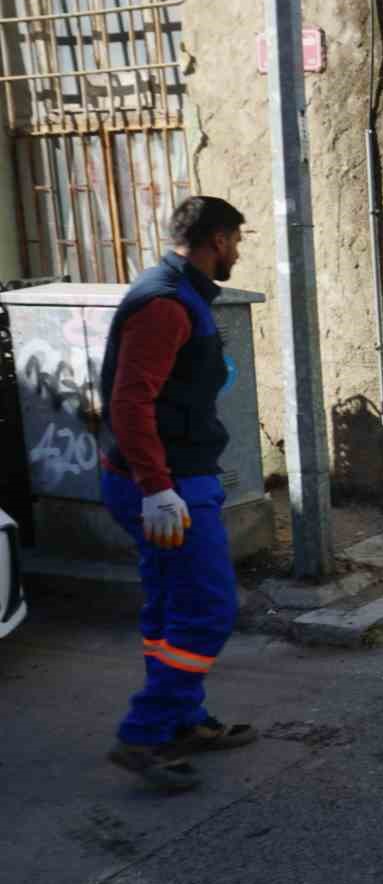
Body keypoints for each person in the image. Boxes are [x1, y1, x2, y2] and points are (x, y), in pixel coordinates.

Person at [101, 197, 259, 791]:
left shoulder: (172, 291)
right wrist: (157, 489)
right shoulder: (166, 302)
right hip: (168, 486)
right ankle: (145, 733)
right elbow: (129, 401)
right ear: (216, 239)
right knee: (211, 608)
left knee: (170, 606)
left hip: (165, 477)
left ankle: (183, 719)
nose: (239, 252)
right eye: (237, 240)